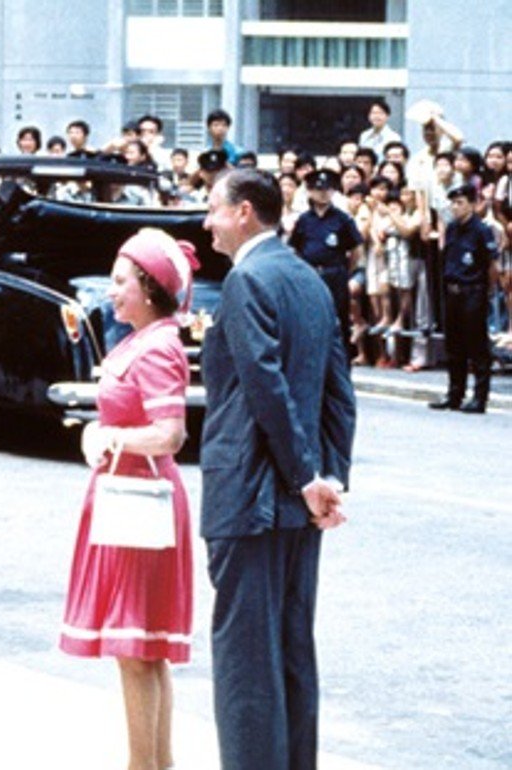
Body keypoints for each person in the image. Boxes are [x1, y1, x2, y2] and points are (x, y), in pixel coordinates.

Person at [200, 168, 356, 769]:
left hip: (251, 496)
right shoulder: (310, 282)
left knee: (245, 660)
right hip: (299, 505)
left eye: (214, 209)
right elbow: (338, 392)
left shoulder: (247, 281)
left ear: (244, 213)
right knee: (293, 651)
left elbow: (266, 390)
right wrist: (328, 478)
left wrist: (305, 477)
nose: (207, 220)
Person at [60, 228, 197, 770]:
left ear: (148, 286)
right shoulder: (143, 339)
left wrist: (108, 438)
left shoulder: (159, 344)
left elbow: (170, 434)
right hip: (128, 496)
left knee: (137, 649)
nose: (111, 293)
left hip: (138, 500)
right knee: (143, 650)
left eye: (120, 282)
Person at [429, 184, 498, 414]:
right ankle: (455, 393)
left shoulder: (481, 230)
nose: (455, 207)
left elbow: (491, 265)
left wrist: (487, 291)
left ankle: (480, 397)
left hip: (473, 290)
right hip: (452, 291)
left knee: (477, 346)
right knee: (454, 346)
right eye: (453, 203)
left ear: (472, 204)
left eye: (460, 203)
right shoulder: (451, 229)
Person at [287, 168, 364, 353]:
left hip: (334, 275)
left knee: (338, 321)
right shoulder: (304, 220)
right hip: (310, 275)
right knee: (309, 320)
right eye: (318, 189)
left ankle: (341, 369)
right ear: (310, 192)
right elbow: (295, 249)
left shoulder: (342, 219)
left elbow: (356, 249)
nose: (323, 193)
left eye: (327, 189)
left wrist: (345, 271)